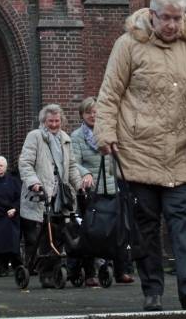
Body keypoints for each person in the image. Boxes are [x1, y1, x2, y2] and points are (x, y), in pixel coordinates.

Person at [96, 0, 186, 312]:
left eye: (177, 18)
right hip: (138, 149)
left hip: (180, 148)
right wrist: (105, 134)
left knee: (183, 221)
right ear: (152, 15)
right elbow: (110, 93)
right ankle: (152, 290)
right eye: (165, 17)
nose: (171, 25)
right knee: (146, 226)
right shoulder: (128, 44)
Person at [18, 103, 88, 274]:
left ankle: (58, 267)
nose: (54, 124)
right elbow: (25, 163)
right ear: (44, 121)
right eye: (51, 121)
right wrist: (34, 182)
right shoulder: (35, 136)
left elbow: (71, 166)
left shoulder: (65, 138)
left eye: (57, 121)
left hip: (60, 195)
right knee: (44, 234)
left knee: (61, 232)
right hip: (41, 193)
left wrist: (79, 185)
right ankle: (46, 272)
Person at [71, 96, 131, 286]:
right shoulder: (77, 137)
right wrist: (85, 173)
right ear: (82, 114)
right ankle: (90, 273)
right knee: (92, 231)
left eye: (96, 112)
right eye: (89, 112)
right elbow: (73, 162)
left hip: (113, 188)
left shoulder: (110, 133)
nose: (93, 115)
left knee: (118, 229)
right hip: (92, 192)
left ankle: (121, 270)